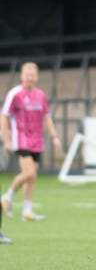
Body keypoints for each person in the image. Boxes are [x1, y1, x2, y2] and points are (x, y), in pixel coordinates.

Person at [1, 62, 62, 222]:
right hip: (21, 139)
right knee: (28, 173)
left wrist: (54, 136)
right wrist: (7, 140)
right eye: (27, 74)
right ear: (22, 76)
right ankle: (7, 197)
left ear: (37, 76)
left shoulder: (40, 95)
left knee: (32, 177)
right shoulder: (15, 94)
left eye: (33, 74)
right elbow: (4, 116)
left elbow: (46, 118)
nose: (30, 77)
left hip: (37, 141)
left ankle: (27, 211)